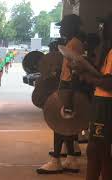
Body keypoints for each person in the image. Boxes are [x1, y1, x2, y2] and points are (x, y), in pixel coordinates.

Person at [37, 14, 85, 174]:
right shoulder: (72, 43)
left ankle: (56, 160)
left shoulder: (73, 44)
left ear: (72, 26)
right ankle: (71, 158)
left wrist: (70, 97)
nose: (61, 28)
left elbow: (76, 73)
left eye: (63, 25)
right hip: (66, 85)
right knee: (67, 125)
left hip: (68, 87)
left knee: (58, 124)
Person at [74, 13, 112, 180]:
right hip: (102, 102)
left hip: (105, 104)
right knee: (99, 151)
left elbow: (109, 84)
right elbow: (104, 77)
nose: (101, 29)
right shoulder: (108, 50)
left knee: (97, 150)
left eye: (104, 26)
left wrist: (86, 76)